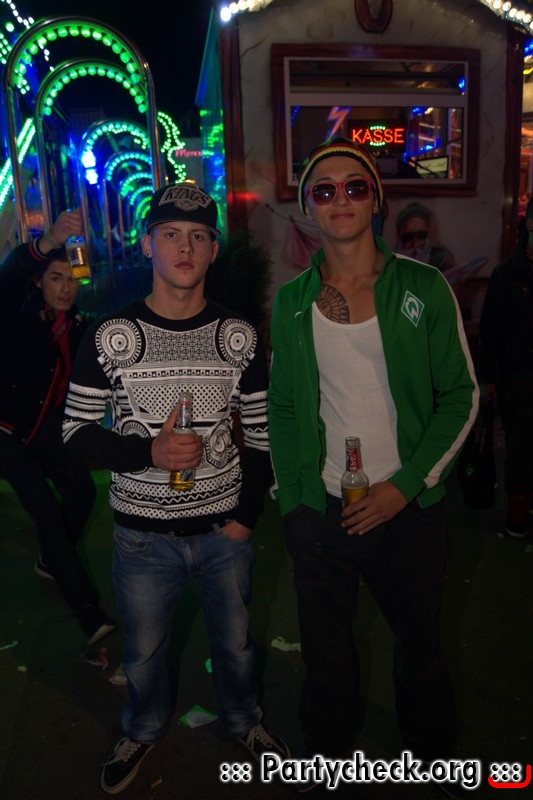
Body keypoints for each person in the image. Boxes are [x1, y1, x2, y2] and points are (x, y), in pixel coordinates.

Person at [61, 182, 290, 795]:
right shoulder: (109, 335)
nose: (184, 248)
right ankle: (142, 729)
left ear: (213, 249)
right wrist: (148, 452)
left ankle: (244, 722)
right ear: (147, 244)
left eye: (197, 236)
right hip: (141, 538)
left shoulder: (239, 336)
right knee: (143, 654)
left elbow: (263, 434)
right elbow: (75, 432)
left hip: (224, 533)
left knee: (237, 647)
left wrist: (245, 518)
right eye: (169, 234)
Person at [267, 138, 479, 793]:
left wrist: (405, 488)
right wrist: (294, 502)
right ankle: (326, 759)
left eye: (354, 186)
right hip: (323, 510)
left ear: (376, 200)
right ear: (307, 207)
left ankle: (432, 761)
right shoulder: (292, 300)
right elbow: (283, 406)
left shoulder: (422, 287)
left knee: (419, 652)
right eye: (323, 190)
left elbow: (461, 396)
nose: (340, 199)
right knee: (325, 657)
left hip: (405, 511)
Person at [0, 209, 117, 646]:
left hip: (48, 429)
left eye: (71, 279)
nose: (66, 287)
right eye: (55, 278)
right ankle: (89, 613)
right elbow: (11, 274)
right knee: (48, 516)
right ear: (38, 282)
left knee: (83, 493)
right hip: (8, 432)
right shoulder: (15, 312)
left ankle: (52, 560)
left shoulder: (78, 327)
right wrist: (49, 239)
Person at [477, 197, 533, 538]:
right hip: (518, 376)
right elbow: (491, 331)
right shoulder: (506, 275)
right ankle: (518, 515)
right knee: (520, 447)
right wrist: (486, 379)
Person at [395, 201, 454, 272]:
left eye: (421, 235)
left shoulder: (439, 257)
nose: (415, 244)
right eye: (408, 236)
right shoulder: (391, 258)